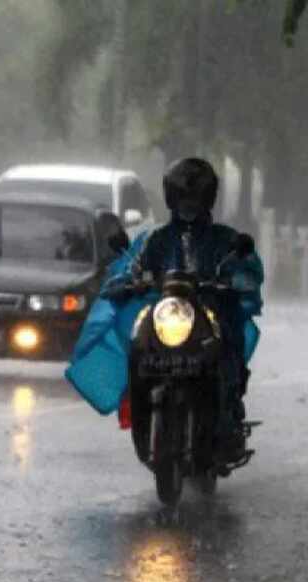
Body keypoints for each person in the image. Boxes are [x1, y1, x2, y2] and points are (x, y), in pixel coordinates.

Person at [66, 157, 263, 461]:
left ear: (209, 196)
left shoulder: (225, 239)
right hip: (168, 313)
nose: (189, 203)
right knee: (139, 341)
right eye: (183, 195)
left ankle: (229, 413)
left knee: (229, 344)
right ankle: (136, 402)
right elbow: (133, 266)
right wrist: (128, 282)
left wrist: (235, 280)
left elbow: (247, 270)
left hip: (210, 312)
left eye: (195, 196)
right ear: (171, 197)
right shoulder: (156, 238)